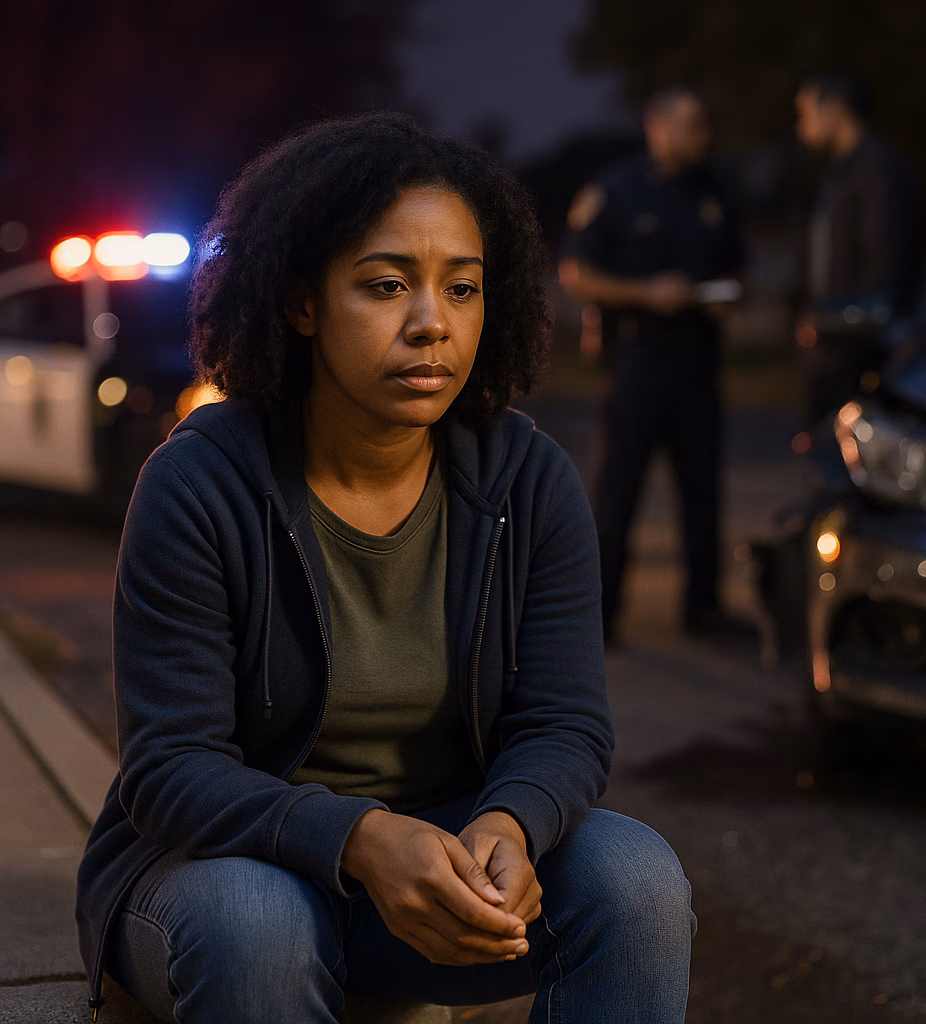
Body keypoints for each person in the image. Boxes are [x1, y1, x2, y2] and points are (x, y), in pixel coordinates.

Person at [74, 113, 696, 1024]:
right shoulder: (201, 483)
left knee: (635, 878)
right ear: (301, 304)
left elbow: (565, 722)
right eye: (386, 285)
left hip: (437, 862)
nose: (431, 323)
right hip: (224, 876)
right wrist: (361, 839)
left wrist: (509, 825)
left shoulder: (528, 480)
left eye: (463, 287)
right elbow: (170, 769)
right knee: (257, 925)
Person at [559, 87, 744, 644]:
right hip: (638, 362)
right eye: (691, 125)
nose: (702, 136)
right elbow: (574, 273)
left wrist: (726, 294)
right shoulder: (616, 190)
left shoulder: (714, 191)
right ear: (656, 128)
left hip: (697, 362)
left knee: (703, 491)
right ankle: (600, 615)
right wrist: (645, 294)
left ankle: (704, 609)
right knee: (617, 493)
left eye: (705, 126)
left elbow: (740, 267)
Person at [794, 70, 921, 426]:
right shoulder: (839, 174)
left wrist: (841, 317)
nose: (800, 126)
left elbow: (887, 269)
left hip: (859, 349)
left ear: (834, 108)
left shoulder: (879, 173)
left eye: (804, 113)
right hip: (831, 344)